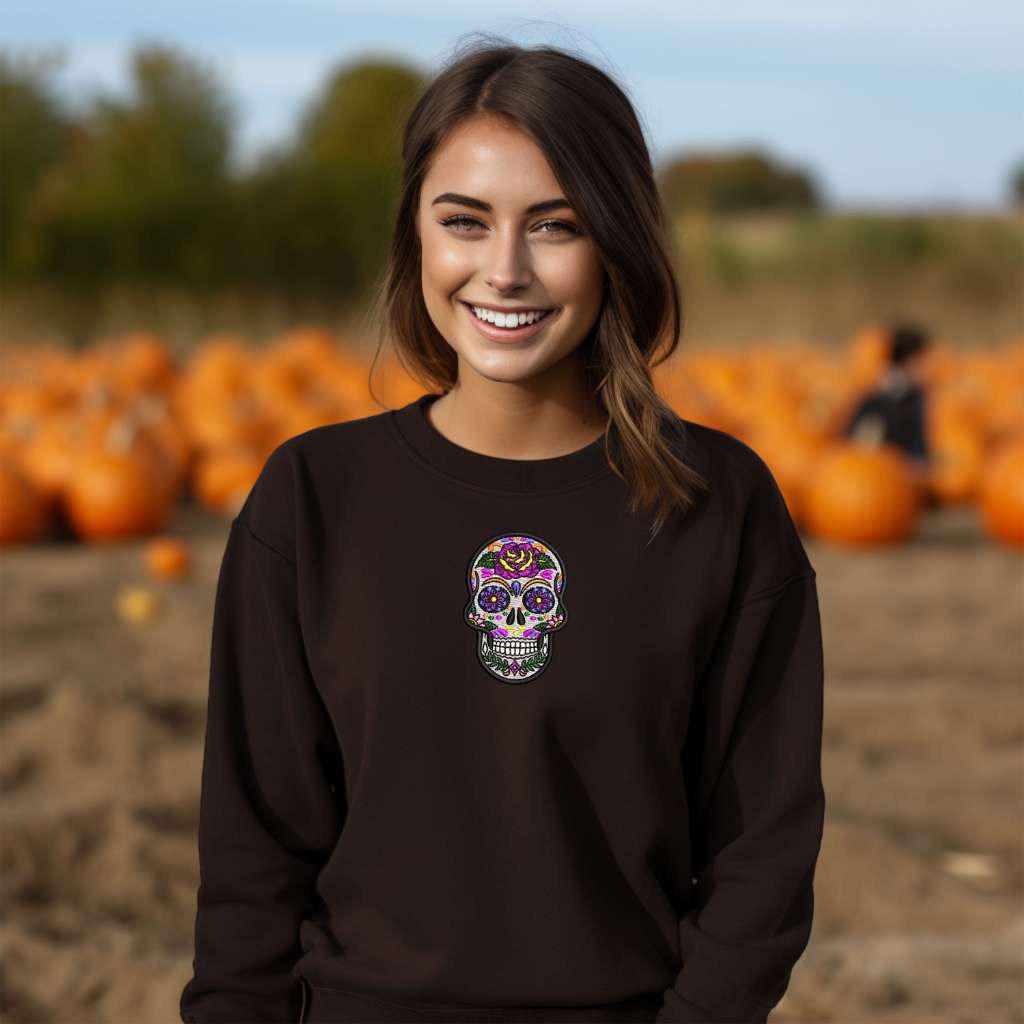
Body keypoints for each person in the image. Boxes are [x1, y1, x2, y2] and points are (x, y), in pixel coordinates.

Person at [179, 37, 825, 1024]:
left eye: (555, 226)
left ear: (618, 241)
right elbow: (252, 855)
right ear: (419, 241)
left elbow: (762, 850)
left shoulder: (719, 505)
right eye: (465, 222)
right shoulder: (311, 498)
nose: (505, 270)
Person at [842, 322, 933, 472]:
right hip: (883, 473)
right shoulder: (878, 402)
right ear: (910, 362)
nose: (928, 370)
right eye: (923, 363)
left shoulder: (916, 397)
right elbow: (860, 444)